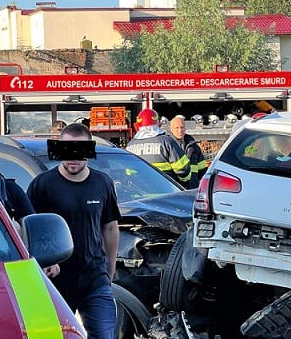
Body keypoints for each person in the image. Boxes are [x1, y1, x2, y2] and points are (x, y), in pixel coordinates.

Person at [27, 123, 121, 339]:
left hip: (94, 278)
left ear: (90, 151)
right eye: (67, 150)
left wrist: (110, 267)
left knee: (104, 336)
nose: (73, 158)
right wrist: (44, 261)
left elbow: (110, 226)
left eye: (80, 151)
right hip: (55, 283)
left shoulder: (102, 183)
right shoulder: (43, 185)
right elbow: (27, 228)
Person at [126, 109, 192, 187]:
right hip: (165, 194)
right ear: (158, 124)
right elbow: (183, 169)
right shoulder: (166, 141)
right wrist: (183, 185)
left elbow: (129, 173)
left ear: (137, 126)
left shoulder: (130, 146)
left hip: (140, 195)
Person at [169, 115, 207, 189]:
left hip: (193, 188)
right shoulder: (168, 146)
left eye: (182, 127)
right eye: (177, 128)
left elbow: (202, 169)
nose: (180, 130)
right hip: (176, 189)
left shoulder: (193, 146)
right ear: (171, 129)